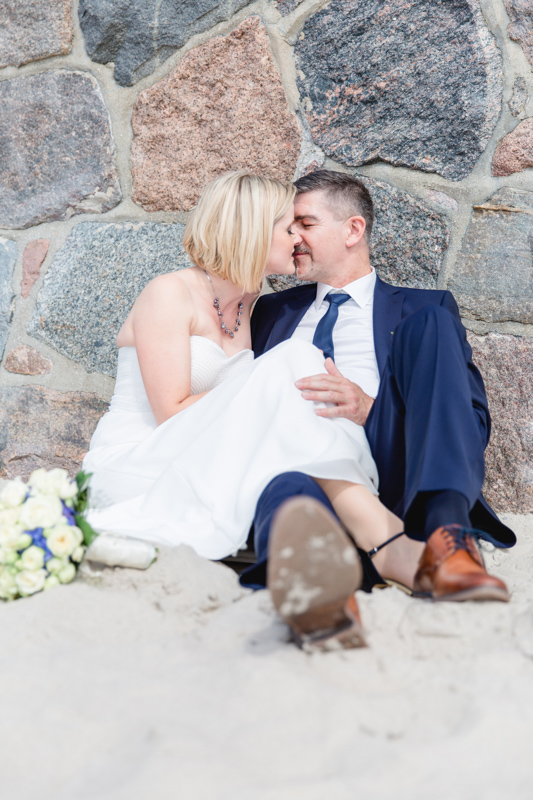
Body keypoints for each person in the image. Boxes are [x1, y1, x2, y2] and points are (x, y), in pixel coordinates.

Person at [84, 171, 416, 649]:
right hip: (142, 458)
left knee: (299, 375)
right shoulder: (169, 293)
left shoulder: (254, 305)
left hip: (201, 452)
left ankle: (345, 540)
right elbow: (172, 412)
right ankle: (385, 538)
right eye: (288, 228)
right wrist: (269, 387)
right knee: (297, 363)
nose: (298, 238)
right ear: (254, 231)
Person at [239, 169, 515, 646]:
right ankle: (316, 585)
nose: (292, 237)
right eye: (288, 226)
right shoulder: (270, 313)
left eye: (304, 222)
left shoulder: (423, 309)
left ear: (352, 230)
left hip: (387, 456)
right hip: (305, 465)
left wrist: (371, 409)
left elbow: (470, 421)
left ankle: (450, 538)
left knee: (430, 325)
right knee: (289, 486)